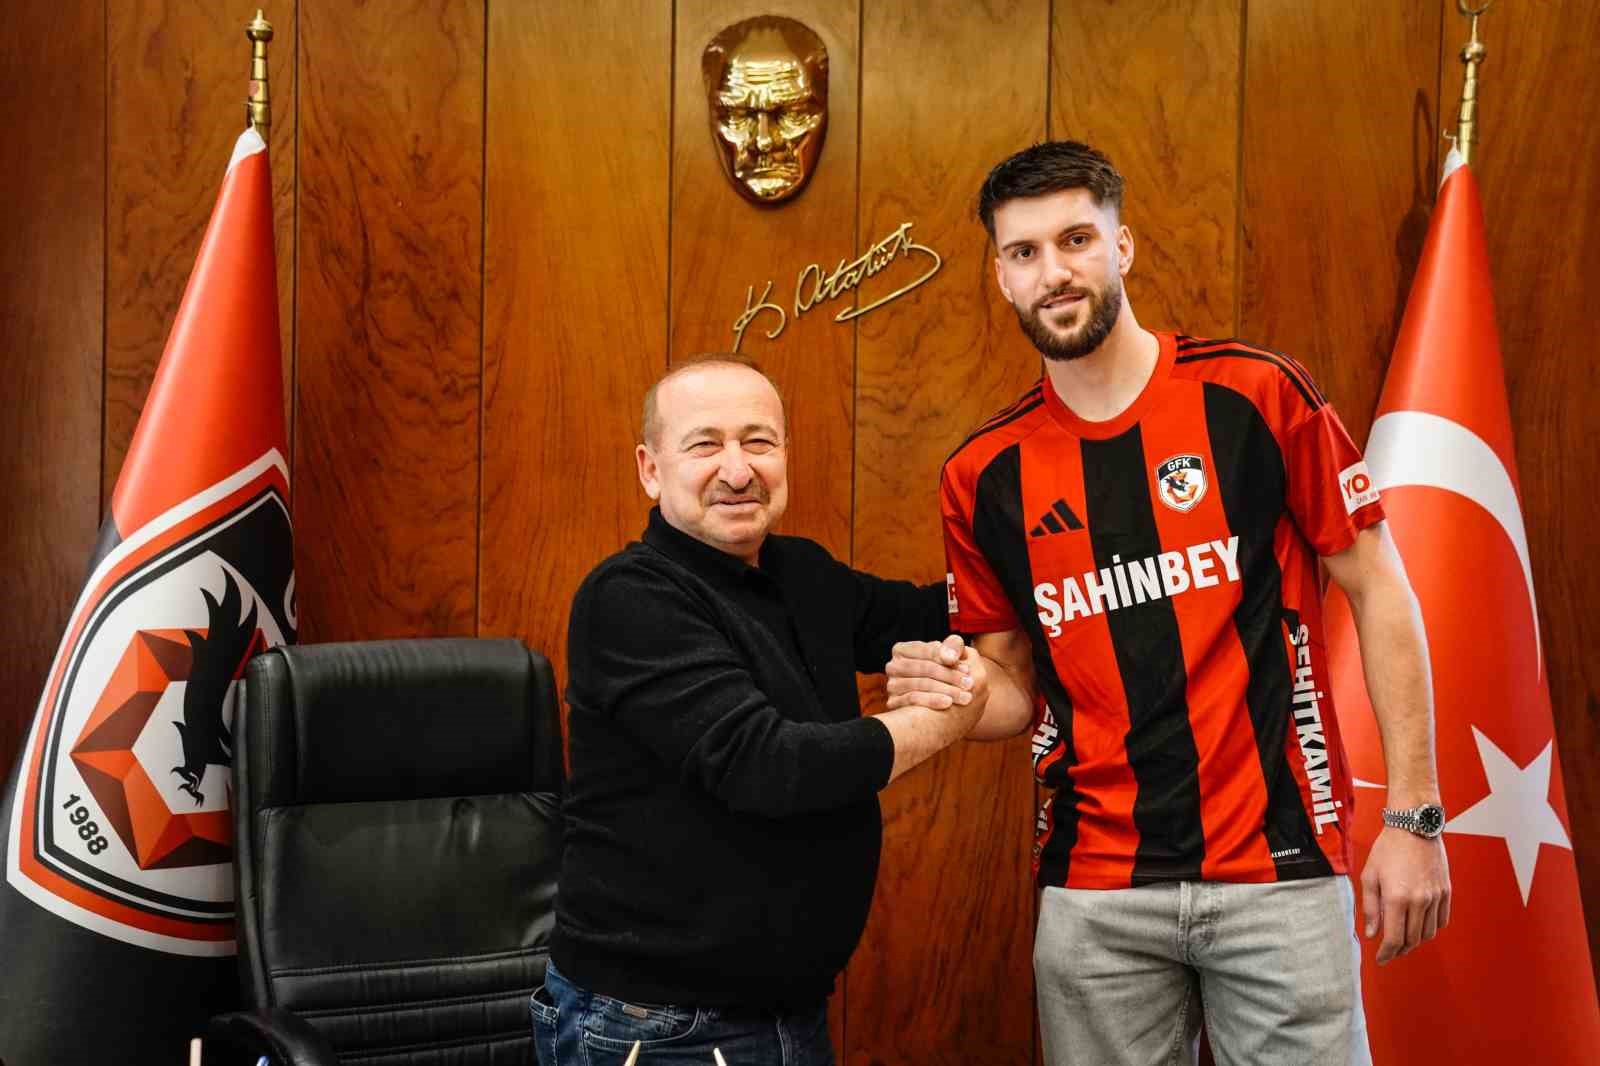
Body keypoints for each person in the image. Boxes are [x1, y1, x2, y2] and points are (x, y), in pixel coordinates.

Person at [886, 141, 1451, 1065]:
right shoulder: (982, 474)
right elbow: (1010, 688)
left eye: (1076, 239)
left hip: (1281, 872)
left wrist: (1415, 816)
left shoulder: (1256, 394)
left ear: (1124, 246)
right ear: (1001, 276)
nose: (1054, 272)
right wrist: (951, 690)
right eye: (1024, 252)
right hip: (1094, 895)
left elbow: (1381, 590)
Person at [533, 357, 986, 1066]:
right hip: (656, 1027)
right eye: (705, 444)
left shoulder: (801, 572)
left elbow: (942, 613)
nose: (738, 470)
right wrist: (948, 714)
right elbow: (769, 766)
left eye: (759, 442)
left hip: (785, 1013)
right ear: (651, 470)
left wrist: (1056, 551)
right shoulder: (628, 597)